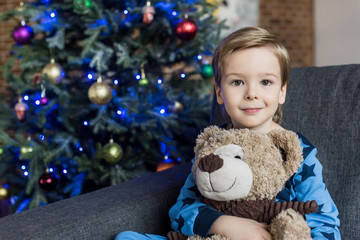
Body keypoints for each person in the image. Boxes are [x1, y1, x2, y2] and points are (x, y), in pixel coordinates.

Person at [115, 27, 341, 240]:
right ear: (219, 92)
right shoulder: (212, 146)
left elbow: (325, 223)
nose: (251, 93)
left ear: (282, 91)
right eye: (237, 82)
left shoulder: (299, 152)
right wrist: (224, 223)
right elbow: (181, 211)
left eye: (265, 82)